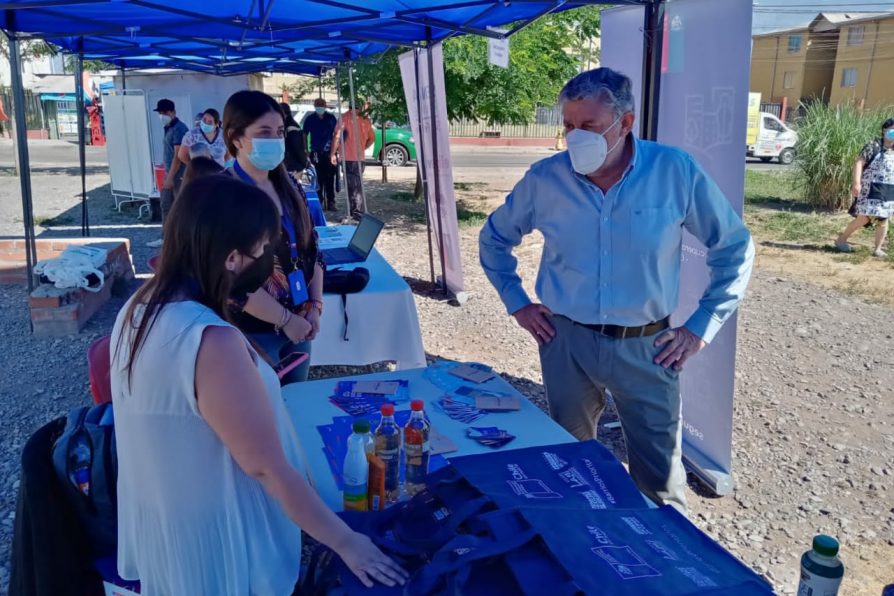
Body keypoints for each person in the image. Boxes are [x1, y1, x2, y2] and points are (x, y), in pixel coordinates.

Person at [110, 174, 407, 594]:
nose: (270, 257)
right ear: (232, 259)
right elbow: (265, 467)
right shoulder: (211, 341)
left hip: (171, 524)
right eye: (264, 248)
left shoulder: (138, 308)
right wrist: (348, 543)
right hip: (224, 544)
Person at [478, 68, 755, 514]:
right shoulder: (546, 179)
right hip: (565, 341)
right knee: (569, 461)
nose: (574, 137)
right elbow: (493, 239)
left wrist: (699, 327)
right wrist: (519, 305)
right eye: (567, 126)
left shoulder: (674, 172)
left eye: (587, 126)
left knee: (660, 483)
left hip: (648, 346)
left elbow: (735, 247)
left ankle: (663, 567)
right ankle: (582, 552)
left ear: (624, 123)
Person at [223, 90, 324, 384]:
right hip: (250, 331)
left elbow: (313, 250)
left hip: (301, 324)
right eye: (264, 132)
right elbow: (231, 281)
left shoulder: (291, 185)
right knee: (260, 412)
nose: (276, 141)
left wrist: (314, 306)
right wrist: (285, 319)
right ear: (236, 137)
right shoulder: (222, 195)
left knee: (297, 405)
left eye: (279, 132)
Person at [835, 117, 894, 258]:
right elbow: (859, 163)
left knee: (883, 219)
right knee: (864, 218)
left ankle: (877, 249)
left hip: (889, 190)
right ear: (884, 130)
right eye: (891, 129)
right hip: (870, 188)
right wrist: (856, 183)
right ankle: (841, 240)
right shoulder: (873, 145)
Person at [147, 98, 188, 248]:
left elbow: (179, 156)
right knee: (165, 205)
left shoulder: (179, 129)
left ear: (173, 112)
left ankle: (183, 240)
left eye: (165, 112)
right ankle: (166, 238)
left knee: (180, 207)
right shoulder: (169, 128)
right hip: (169, 172)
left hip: (179, 175)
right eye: (160, 113)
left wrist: (170, 177)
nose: (162, 115)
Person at [331, 101, 374, 221]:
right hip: (360, 158)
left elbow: (337, 137)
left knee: (352, 187)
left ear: (349, 106)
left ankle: (356, 214)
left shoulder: (344, 118)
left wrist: (333, 153)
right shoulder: (365, 120)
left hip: (348, 158)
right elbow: (372, 138)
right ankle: (355, 212)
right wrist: (362, 147)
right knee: (357, 186)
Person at [304, 98, 339, 211]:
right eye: (318, 105)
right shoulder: (310, 119)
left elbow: (337, 134)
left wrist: (335, 152)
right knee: (317, 179)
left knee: (330, 179)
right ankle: (319, 202)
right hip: (315, 153)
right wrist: (306, 150)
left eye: (322, 105)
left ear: (325, 106)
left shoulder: (331, 118)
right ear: (314, 106)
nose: (320, 107)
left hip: (329, 153)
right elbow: (304, 134)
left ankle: (331, 202)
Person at [280, 102, 308, 179]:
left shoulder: (290, 127)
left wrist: (303, 163)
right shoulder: (287, 126)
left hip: (293, 165)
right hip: (290, 164)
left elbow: (298, 147)